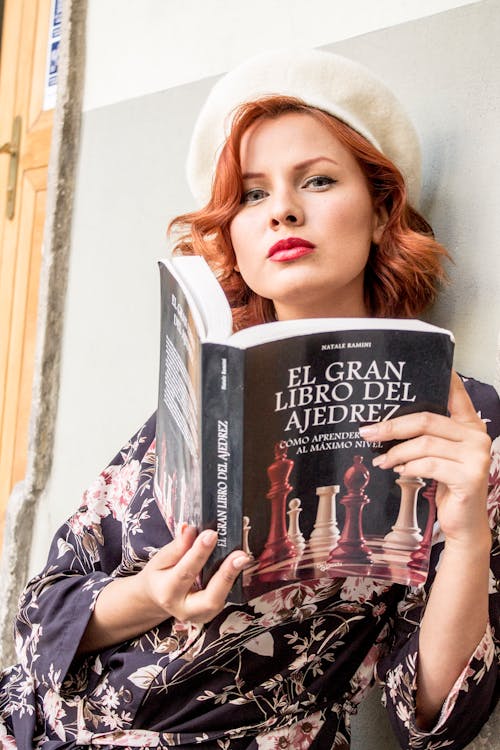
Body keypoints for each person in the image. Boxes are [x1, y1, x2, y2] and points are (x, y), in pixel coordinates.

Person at [0, 49, 498, 750]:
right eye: (254, 195)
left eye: (318, 181)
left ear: (383, 212)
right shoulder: (204, 400)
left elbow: (437, 713)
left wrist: (470, 529)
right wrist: (151, 594)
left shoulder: (457, 422)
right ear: (232, 234)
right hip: (32, 725)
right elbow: (44, 603)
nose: (283, 212)